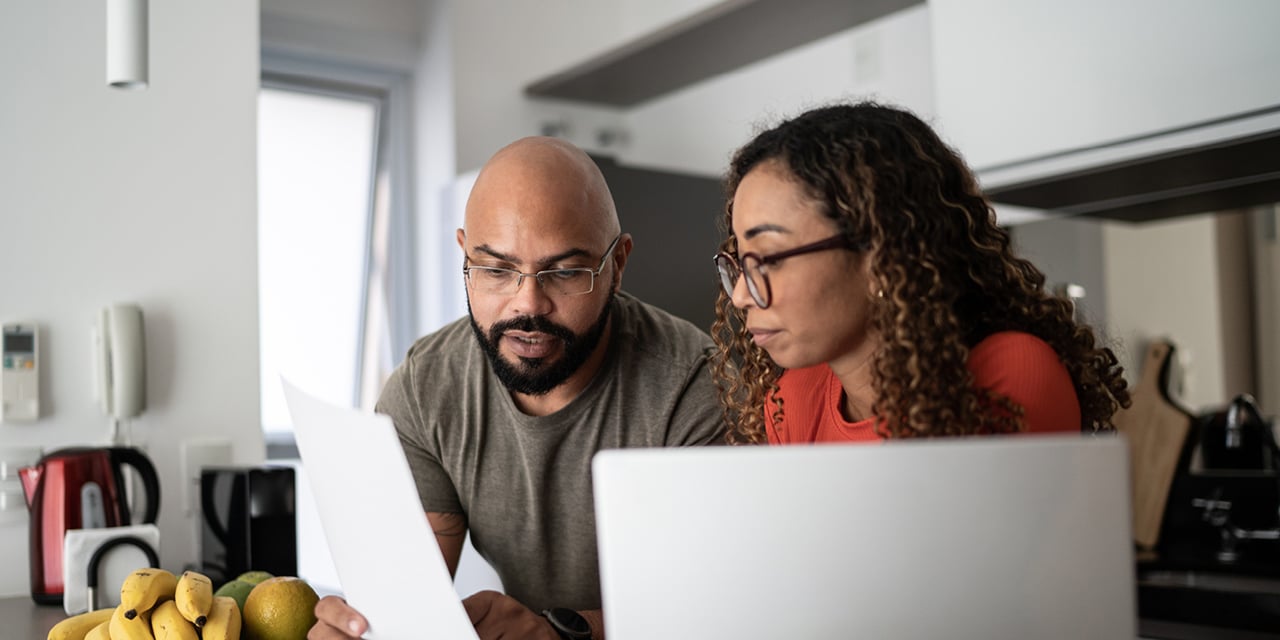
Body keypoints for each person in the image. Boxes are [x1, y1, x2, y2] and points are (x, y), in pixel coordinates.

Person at [311, 137, 725, 640]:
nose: (527, 305)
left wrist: (561, 633)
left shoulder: (694, 387)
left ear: (617, 266)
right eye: (496, 269)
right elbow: (403, 601)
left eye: (566, 271)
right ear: (464, 254)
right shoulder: (427, 388)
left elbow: (717, 607)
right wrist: (363, 627)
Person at [709, 102, 1130, 445]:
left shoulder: (1008, 374)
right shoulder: (794, 399)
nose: (742, 295)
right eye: (738, 262)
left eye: (769, 258)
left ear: (879, 256)